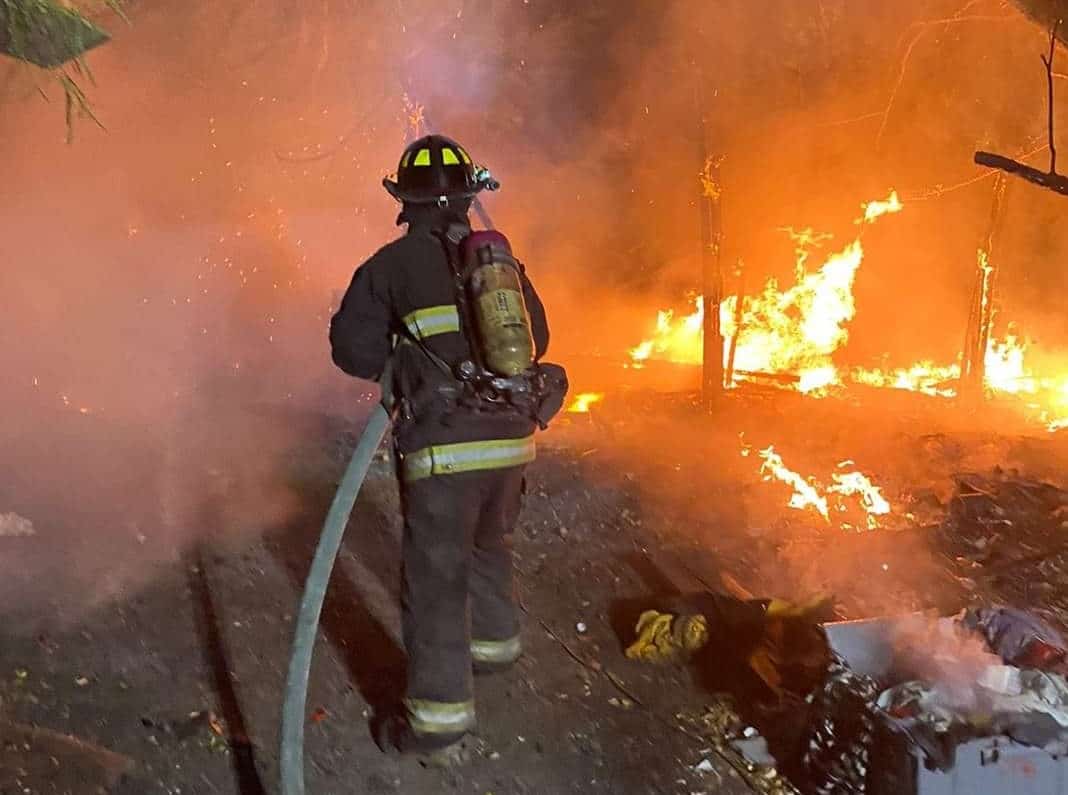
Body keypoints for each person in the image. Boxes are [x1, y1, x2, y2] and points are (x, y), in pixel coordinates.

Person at [329, 134, 553, 764]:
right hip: (513, 442)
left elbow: (352, 352)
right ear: (467, 199)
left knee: (435, 578)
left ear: (406, 200)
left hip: (445, 453)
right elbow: (539, 334)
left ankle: (436, 725)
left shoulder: (388, 267)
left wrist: (404, 361)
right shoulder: (500, 267)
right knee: (489, 545)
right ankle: (496, 646)